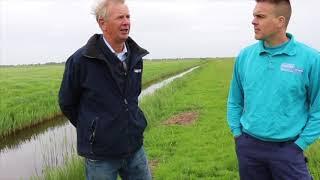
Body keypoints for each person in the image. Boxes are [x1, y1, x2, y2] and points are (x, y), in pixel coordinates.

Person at [58, 0, 152, 179]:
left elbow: (133, 96)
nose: (126, 22)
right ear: (102, 23)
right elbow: (67, 102)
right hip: (100, 156)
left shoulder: (136, 57)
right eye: (120, 17)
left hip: (134, 148)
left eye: (128, 16)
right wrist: (94, 128)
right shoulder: (81, 60)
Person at [227, 0, 320, 179]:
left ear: (280, 21)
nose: (253, 21)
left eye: (260, 16)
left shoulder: (311, 59)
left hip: (288, 150)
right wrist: (238, 135)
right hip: (249, 148)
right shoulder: (245, 56)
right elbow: (235, 100)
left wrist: (300, 144)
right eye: (254, 16)